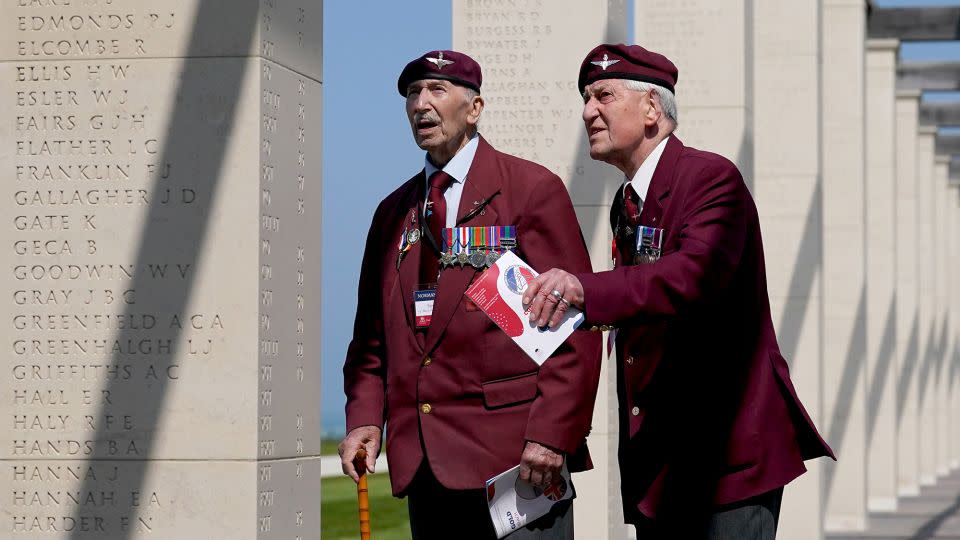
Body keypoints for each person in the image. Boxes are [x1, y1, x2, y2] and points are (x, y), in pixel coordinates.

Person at [523, 43, 835, 539]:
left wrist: (584, 289)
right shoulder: (626, 203)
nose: (587, 112)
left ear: (652, 109)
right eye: (585, 99)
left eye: (603, 95)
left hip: (726, 461)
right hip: (661, 466)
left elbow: (692, 276)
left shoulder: (711, 179)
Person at [339, 49, 602, 539]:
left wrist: (551, 436)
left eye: (437, 90)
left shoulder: (529, 189)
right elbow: (370, 339)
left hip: (518, 467)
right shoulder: (391, 212)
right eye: (413, 93)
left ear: (475, 108)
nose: (421, 104)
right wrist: (362, 419)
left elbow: (575, 332)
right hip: (425, 468)